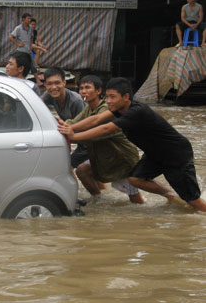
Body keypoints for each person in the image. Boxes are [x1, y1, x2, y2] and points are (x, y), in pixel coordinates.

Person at [58, 77, 206, 212]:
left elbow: (105, 128)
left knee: (193, 201)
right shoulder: (119, 109)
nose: (108, 101)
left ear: (126, 97)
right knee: (135, 179)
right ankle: (171, 194)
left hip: (175, 154)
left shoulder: (137, 111)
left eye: (112, 97)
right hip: (154, 154)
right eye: (107, 97)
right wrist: (71, 127)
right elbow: (96, 120)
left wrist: (74, 136)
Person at [63, 75, 144, 204]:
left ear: (98, 91)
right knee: (82, 171)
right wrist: (59, 125)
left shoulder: (106, 109)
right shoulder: (89, 108)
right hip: (104, 157)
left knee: (135, 199)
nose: (83, 91)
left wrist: (71, 135)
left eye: (87, 87)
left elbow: (95, 130)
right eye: (81, 88)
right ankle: (100, 200)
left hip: (120, 158)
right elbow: (74, 122)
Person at [42, 67, 88, 170]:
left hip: (86, 141)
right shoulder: (48, 95)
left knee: (67, 168)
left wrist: (63, 124)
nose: (54, 87)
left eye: (57, 83)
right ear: (45, 85)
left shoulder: (75, 101)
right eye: (49, 84)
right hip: (71, 135)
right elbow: (37, 107)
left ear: (64, 83)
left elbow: (81, 126)